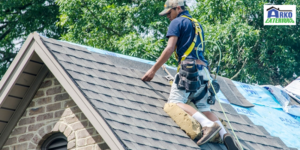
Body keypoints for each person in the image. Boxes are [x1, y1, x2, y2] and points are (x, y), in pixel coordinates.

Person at [141, 0, 240, 149]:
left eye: (169, 12)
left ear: (178, 8)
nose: (168, 16)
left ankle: (208, 125)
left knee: (175, 101)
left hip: (189, 71)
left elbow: (169, 49)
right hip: (204, 74)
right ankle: (225, 134)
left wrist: (153, 70)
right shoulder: (196, 24)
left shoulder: (177, 22)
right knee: (204, 108)